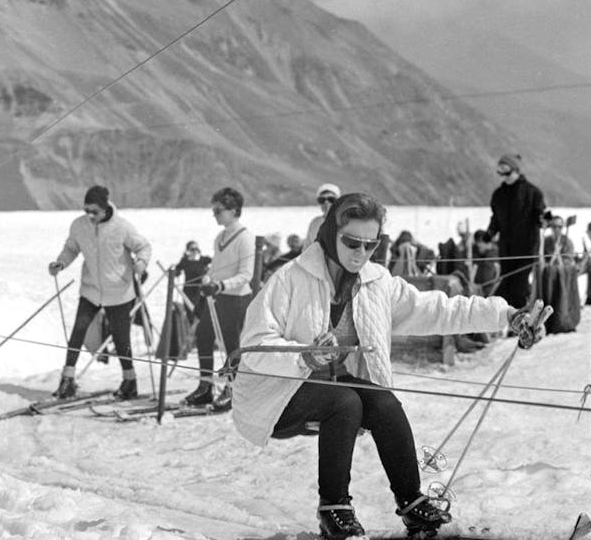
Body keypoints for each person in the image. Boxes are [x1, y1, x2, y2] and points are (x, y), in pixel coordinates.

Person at [232, 193, 549, 539]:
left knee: (382, 400)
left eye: (372, 244)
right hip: (277, 392)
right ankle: (333, 508)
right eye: (352, 242)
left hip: (334, 387)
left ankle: (413, 504)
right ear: (329, 233)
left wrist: (507, 315)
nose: (361, 253)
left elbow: (438, 308)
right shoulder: (290, 278)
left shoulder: (376, 282)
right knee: (345, 401)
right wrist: (303, 356)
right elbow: (253, 345)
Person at [48, 185, 152, 399]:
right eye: (86, 210)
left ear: (105, 209)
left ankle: (130, 382)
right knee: (78, 332)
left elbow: (143, 247)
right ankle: (67, 381)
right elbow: (71, 248)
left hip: (119, 292)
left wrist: (141, 263)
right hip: (91, 290)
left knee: (122, 339)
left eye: (94, 211)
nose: (90, 215)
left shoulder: (122, 227)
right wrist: (60, 263)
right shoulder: (79, 226)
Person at [184, 187, 255, 410]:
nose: (214, 214)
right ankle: (205, 387)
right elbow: (218, 267)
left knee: (231, 345)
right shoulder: (220, 237)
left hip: (235, 299)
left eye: (218, 210)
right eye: (213, 210)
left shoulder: (245, 238)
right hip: (216, 298)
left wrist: (222, 285)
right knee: (203, 337)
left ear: (234, 210)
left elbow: (246, 275)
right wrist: (208, 278)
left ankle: (233, 389)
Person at [486, 153, 548, 308]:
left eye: (506, 171)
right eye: (500, 172)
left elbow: (539, 214)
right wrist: (490, 233)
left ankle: (519, 318)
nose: (504, 176)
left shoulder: (533, 193)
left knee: (518, 286)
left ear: (515, 170)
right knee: (506, 283)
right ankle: (506, 320)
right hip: (506, 249)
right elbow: (496, 219)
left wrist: (544, 218)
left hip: (527, 249)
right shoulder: (498, 194)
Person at [177, 241, 212, 323]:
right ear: (188, 250)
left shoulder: (204, 260)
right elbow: (177, 270)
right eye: (192, 249)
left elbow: (216, 263)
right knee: (190, 315)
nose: (195, 251)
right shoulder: (185, 261)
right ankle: (191, 332)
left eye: (196, 248)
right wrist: (174, 272)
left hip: (200, 291)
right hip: (188, 291)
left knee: (201, 313)